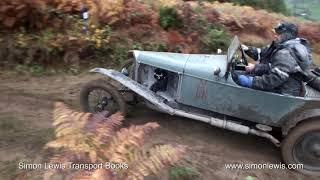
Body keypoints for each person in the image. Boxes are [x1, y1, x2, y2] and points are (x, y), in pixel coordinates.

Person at [237, 22, 313, 96]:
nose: (275, 36)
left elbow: (275, 79)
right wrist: (247, 50)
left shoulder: (285, 53)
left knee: (239, 82)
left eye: (278, 34)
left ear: (286, 36)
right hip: (281, 87)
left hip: (282, 93)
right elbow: (267, 59)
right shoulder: (282, 46)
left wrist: (252, 82)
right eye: (275, 33)